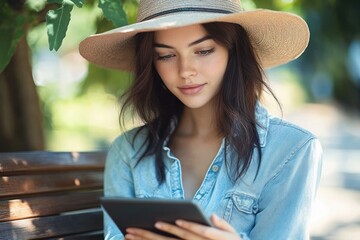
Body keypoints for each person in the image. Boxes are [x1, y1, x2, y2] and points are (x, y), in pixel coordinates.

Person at [79, 0, 323, 239]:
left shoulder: (292, 151)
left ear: (234, 50)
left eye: (204, 50)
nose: (186, 70)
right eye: (165, 55)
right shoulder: (128, 152)